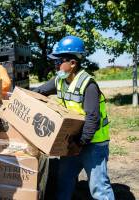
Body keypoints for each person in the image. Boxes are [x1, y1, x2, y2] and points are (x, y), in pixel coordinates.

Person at [35, 36, 115, 200]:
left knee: (99, 188)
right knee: (64, 180)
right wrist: (16, 95)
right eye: (55, 61)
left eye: (59, 61)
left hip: (93, 143)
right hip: (73, 141)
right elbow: (40, 91)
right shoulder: (60, 80)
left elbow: (92, 119)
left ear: (73, 63)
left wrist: (79, 143)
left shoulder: (88, 85)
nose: (56, 64)